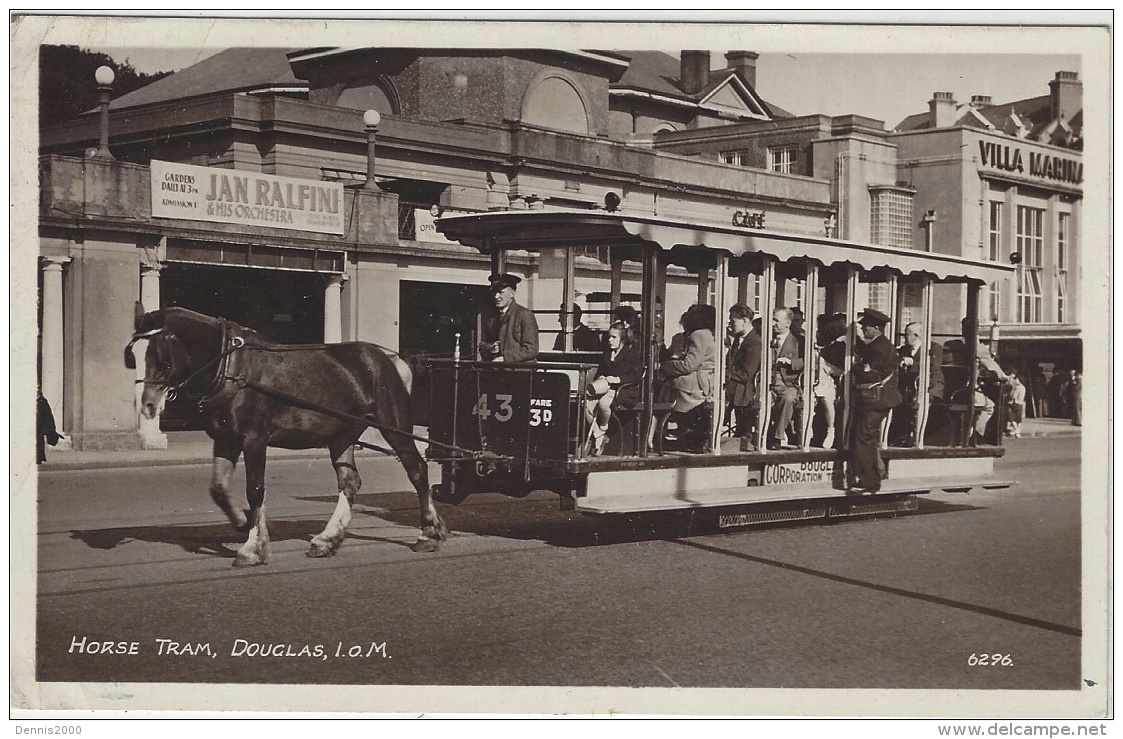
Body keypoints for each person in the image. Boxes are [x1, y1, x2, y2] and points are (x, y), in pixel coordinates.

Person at [849, 308, 901, 494]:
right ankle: (873, 474)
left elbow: (871, 375)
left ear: (876, 328)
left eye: (866, 326)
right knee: (867, 436)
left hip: (877, 401)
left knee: (864, 437)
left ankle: (870, 482)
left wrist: (854, 368)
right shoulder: (879, 344)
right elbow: (867, 354)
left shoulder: (880, 348)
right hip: (879, 400)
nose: (863, 329)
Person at [659, 304, 717, 453]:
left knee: (664, 387)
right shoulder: (711, 334)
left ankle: (660, 432)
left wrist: (665, 366)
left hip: (696, 384)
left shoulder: (698, 335)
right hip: (707, 382)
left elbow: (689, 365)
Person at [584, 321, 642, 456]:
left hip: (623, 390)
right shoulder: (606, 354)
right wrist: (602, 377)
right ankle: (599, 435)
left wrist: (618, 379)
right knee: (586, 405)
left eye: (614, 337)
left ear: (622, 339)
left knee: (604, 404)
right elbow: (599, 373)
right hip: (605, 388)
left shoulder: (631, 354)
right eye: (609, 337)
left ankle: (602, 429)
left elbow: (636, 375)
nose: (610, 340)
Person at [891, 321, 945, 447]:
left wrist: (913, 364)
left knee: (919, 402)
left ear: (916, 336)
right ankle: (899, 435)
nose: (904, 337)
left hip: (930, 386)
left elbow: (933, 368)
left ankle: (915, 436)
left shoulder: (934, 348)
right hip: (908, 388)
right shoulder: (903, 350)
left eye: (907, 334)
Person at [478, 272, 539, 362]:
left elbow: (531, 349)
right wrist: (490, 348)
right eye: (494, 292)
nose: (496, 296)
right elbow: (483, 344)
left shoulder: (525, 315)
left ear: (512, 293)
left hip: (519, 372)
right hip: (497, 370)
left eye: (501, 292)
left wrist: (505, 358)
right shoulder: (491, 317)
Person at [724, 304, 762, 446]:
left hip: (747, 387)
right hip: (737, 384)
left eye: (733, 321)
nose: (730, 325)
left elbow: (746, 374)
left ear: (745, 320)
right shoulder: (739, 339)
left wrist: (724, 376)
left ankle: (742, 431)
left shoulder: (755, 342)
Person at [767, 307, 804, 450]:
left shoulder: (799, 341)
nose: (772, 323)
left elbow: (809, 362)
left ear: (788, 323)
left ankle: (776, 437)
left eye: (776, 320)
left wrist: (791, 363)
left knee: (788, 399)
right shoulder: (767, 339)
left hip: (788, 383)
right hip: (768, 383)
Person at [813, 313, 847, 449]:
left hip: (831, 382)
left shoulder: (840, 345)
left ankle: (830, 429)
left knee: (827, 399)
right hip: (819, 381)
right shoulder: (831, 346)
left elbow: (837, 370)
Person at [37, 392, 63, 464]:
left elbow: (48, 416)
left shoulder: (41, 402)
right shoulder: (42, 402)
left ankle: (39, 456)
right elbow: (49, 417)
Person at [1005, 371, 1027, 438]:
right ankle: (1018, 431)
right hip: (1019, 403)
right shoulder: (1021, 387)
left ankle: (1016, 430)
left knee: (1012, 418)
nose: (1015, 380)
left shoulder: (1019, 387)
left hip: (1016, 403)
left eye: (1016, 379)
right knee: (1018, 419)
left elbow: (1014, 396)